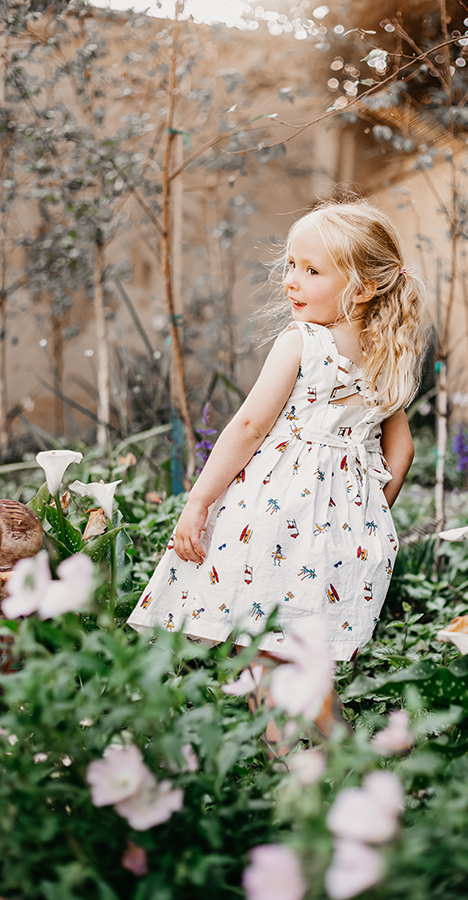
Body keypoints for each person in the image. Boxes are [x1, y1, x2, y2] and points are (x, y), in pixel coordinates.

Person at [127, 199, 429, 752]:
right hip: (347, 539)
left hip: (279, 521)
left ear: (362, 288)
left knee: (266, 656)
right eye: (291, 265)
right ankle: (335, 772)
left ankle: (296, 780)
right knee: (304, 664)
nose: (292, 281)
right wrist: (368, 513)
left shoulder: (303, 343)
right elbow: (401, 451)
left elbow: (247, 427)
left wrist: (198, 502)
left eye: (312, 271)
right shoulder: (385, 355)